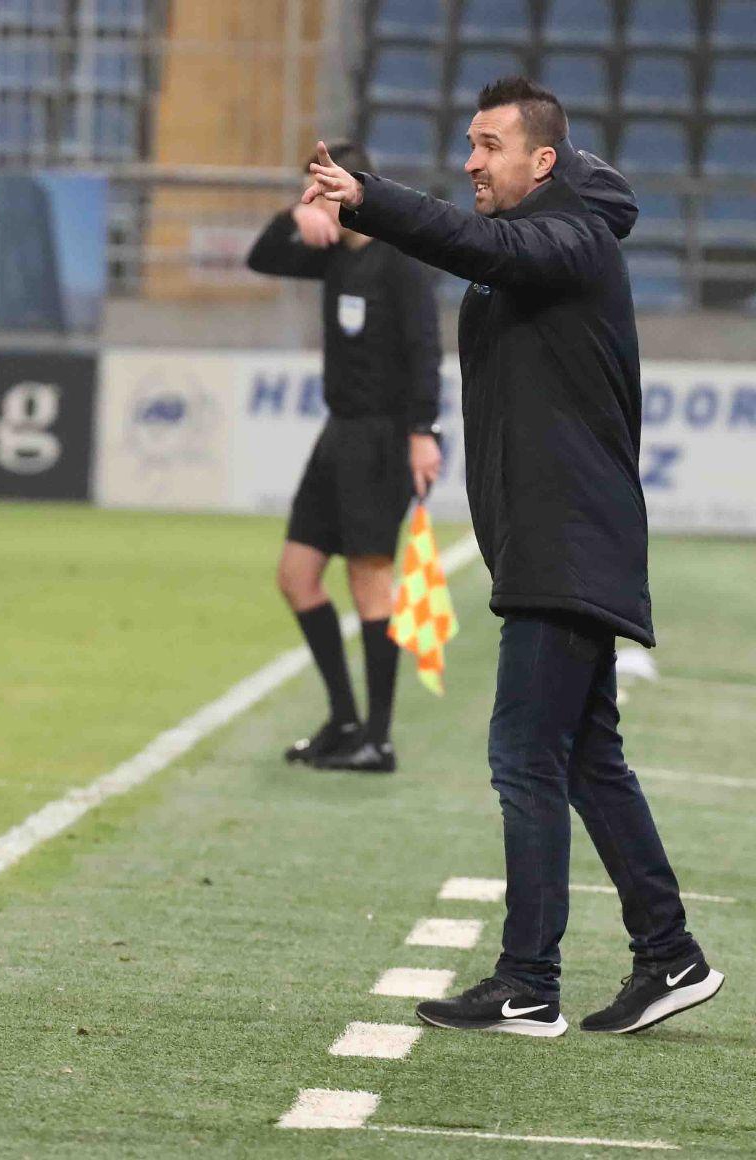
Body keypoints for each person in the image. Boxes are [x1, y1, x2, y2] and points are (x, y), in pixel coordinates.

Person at [304, 77, 724, 1037]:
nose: (469, 162)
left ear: (543, 162)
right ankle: (670, 954)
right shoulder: (553, 227)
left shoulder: (570, 240)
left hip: (566, 539)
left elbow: (480, 243)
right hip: (554, 537)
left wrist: (369, 197)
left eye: (487, 146)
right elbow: (496, 238)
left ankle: (529, 981)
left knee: (526, 756)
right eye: (467, 142)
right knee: (586, 760)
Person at [246, 143, 443, 774]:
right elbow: (261, 257)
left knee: (369, 577)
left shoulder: (398, 262)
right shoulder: (332, 254)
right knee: (296, 575)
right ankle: (344, 719)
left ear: (351, 188)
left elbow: (426, 350)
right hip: (339, 434)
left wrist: (423, 430)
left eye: (321, 188)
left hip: (385, 436)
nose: (313, 198)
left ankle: (377, 740)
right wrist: (291, 218)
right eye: (308, 189)